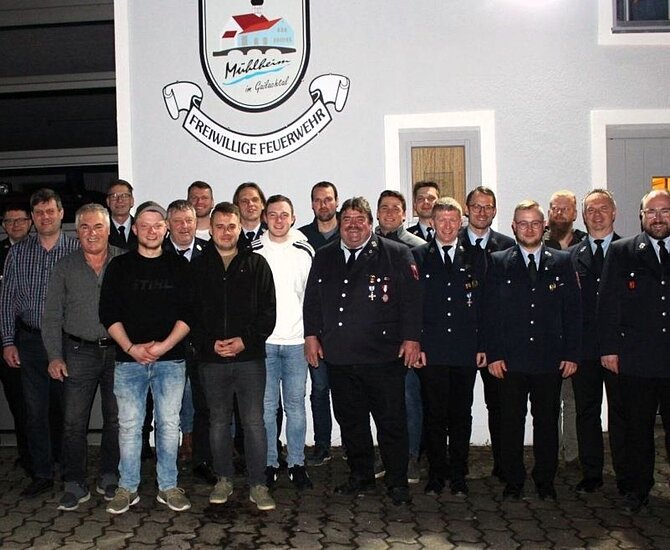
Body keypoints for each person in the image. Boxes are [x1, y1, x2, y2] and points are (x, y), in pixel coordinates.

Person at [303, 196, 423, 506]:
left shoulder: (396, 253)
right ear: (340, 224)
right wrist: (311, 336)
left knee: (390, 423)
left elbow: (412, 301)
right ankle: (361, 476)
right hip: (340, 356)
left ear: (370, 224)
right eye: (347, 220)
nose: (353, 226)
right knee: (351, 421)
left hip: (383, 356)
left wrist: (412, 339)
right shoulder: (325, 255)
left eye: (360, 220)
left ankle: (397, 482)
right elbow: (313, 300)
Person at [485, 199, 581, 501]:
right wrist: (494, 354)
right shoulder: (498, 262)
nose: (529, 229)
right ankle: (513, 480)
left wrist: (571, 354)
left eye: (535, 223)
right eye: (523, 223)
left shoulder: (562, 262)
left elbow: (573, 312)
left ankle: (544, 480)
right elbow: (489, 313)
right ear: (514, 227)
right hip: (510, 360)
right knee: (510, 423)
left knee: (547, 423)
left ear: (544, 226)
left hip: (548, 359)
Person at [99, 201, 192, 514]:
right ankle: (127, 487)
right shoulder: (119, 267)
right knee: (129, 426)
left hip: (171, 361)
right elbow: (108, 313)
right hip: (129, 362)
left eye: (157, 225)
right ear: (135, 229)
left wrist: (163, 347)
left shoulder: (180, 267)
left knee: (168, 424)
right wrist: (131, 348)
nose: (151, 231)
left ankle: (168, 486)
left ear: (165, 229)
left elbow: (190, 314)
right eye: (145, 225)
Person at [190, 202, 277, 511]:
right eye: (220, 227)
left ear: (240, 228)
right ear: (210, 230)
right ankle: (223, 479)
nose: (225, 232)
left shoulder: (257, 264)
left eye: (231, 226)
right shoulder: (198, 267)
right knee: (218, 422)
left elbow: (268, 313)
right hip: (212, 360)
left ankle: (258, 484)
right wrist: (208, 343)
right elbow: (190, 315)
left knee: (253, 422)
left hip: (249, 358)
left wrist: (245, 341)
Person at [42, 203, 122, 511]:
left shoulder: (123, 262)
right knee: (73, 422)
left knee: (116, 419)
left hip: (118, 353)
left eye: (98, 226)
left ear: (108, 230)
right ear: (77, 232)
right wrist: (54, 356)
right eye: (85, 227)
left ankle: (109, 475)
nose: (92, 233)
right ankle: (74, 483)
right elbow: (51, 315)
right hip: (77, 352)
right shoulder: (65, 266)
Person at [0, 188, 79, 498]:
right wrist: (8, 341)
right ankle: (42, 473)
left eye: (50, 211)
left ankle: (71, 473)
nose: (45, 217)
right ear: (32, 218)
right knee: (34, 412)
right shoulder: (17, 253)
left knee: (69, 412)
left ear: (61, 214)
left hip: (67, 341)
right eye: (39, 213)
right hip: (30, 342)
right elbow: (7, 301)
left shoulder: (76, 250)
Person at [598, 189, 670, 515]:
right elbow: (608, 304)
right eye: (651, 212)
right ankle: (638, 490)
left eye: (664, 211)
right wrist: (609, 348)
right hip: (637, 359)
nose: (658, 217)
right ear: (641, 217)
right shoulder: (622, 251)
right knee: (638, 430)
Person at [413, 197, 485, 498]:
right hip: (432, 350)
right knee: (434, 415)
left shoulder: (476, 257)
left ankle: (458, 474)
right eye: (441, 220)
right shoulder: (418, 256)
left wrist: (482, 344)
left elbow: (484, 305)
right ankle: (436, 474)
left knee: (460, 415)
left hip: (464, 349)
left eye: (452, 220)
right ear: (432, 223)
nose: (446, 226)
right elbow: (412, 305)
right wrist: (417, 343)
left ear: (460, 223)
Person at [254, 195, 315, 491]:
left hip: (296, 343)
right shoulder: (253, 250)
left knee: (295, 406)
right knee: (266, 408)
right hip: (264, 344)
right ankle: (269, 463)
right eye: (273, 214)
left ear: (293, 218)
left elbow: (313, 298)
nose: (279, 220)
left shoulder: (304, 250)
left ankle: (297, 463)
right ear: (265, 218)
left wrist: (312, 337)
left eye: (284, 215)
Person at [569, 189, 626, 496]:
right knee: (587, 412)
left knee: (622, 413)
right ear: (583, 216)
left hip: (621, 348)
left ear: (614, 213)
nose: (597, 215)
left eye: (603, 208)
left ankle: (626, 474)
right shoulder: (572, 256)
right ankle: (591, 473)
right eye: (591, 210)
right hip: (586, 349)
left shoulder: (629, 251)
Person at [459, 186, 516, 481]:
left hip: (496, 341)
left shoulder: (508, 247)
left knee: (500, 407)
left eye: (487, 207)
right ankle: (457, 467)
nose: (482, 212)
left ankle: (504, 466)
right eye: (476, 206)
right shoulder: (451, 242)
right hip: (460, 341)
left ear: (494, 210)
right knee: (458, 409)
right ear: (467, 209)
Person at [373, 189, 425, 484]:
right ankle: (387, 455)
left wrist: (415, 338)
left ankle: (411, 457)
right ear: (377, 213)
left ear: (405, 214)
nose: (390, 213)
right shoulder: (368, 245)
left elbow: (420, 300)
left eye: (396, 208)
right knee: (383, 403)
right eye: (384, 208)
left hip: (406, 340)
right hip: (376, 342)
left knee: (409, 399)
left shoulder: (418, 248)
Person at [164, 200, 213, 483]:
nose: (184, 227)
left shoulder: (210, 252)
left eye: (189, 221)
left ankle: (202, 461)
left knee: (203, 403)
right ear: (168, 225)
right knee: (167, 406)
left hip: (201, 342)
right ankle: (167, 462)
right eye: (178, 221)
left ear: (197, 223)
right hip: (167, 342)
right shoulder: (157, 253)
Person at [298, 181, 340, 467]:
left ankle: (351, 443)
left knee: (349, 391)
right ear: (312, 204)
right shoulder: (302, 237)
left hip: (346, 328)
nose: (323, 205)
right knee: (320, 390)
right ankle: (323, 445)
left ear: (336, 202)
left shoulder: (350, 232)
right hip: (316, 327)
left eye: (328, 199)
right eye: (318, 200)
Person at [545, 190, 586, 469]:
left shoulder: (584, 245)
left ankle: (571, 453)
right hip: (546, 337)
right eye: (554, 209)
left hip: (573, 335)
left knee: (572, 400)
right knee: (548, 402)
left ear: (575, 214)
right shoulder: (536, 242)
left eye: (565, 209)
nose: (559, 213)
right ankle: (551, 453)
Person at [0, 204, 32, 475]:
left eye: (21, 220)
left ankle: (43, 454)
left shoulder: (38, 250)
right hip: (4, 338)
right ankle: (26, 454)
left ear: (30, 222)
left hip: (29, 337)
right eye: (10, 221)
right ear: (3, 225)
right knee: (17, 402)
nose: (16, 225)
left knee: (35, 402)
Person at [233, 182, 267, 249]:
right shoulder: (231, 236)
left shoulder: (272, 234)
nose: (250, 204)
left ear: (262, 204)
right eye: (244, 201)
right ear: (237, 206)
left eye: (255, 200)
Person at [106, 180, 137, 250]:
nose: (119, 200)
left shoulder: (141, 228)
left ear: (132, 201)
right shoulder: (101, 230)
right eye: (114, 196)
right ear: (108, 201)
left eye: (124, 196)